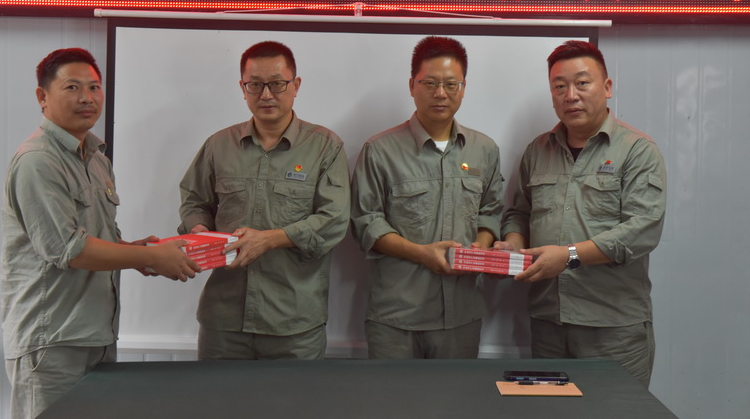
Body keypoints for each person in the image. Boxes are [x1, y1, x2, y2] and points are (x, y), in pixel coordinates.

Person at [1, 47, 200, 419]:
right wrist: (150, 256)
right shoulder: (38, 161)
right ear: (42, 97)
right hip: (53, 341)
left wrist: (133, 252)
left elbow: (93, 238)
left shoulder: (96, 159)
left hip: (95, 335)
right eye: (72, 87)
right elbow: (69, 249)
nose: (87, 98)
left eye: (94, 87)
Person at [499, 40, 666, 387]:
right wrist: (513, 245)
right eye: (559, 86)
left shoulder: (637, 150)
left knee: (617, 411)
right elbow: (519, 213)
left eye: (582, 83)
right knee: (552, 413)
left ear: (607, 87)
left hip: (612, 328)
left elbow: (642, 229)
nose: (570, 95)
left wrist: (570, 256)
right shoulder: (537, 151)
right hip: (548, 324)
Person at [178, 40, 350, 360]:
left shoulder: (325, 147)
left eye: (277, 84)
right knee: (214, 395)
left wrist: (269, 240)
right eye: (255, 85)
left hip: (294, 322)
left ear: (296, 85)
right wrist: (199, 231)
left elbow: (334, 219)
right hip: (224, 320)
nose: (266, 95)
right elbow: (194, 200)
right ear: (243, 88)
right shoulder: (219, 145)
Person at [351, 36, 503, 359]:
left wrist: (480, 246)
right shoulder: (379, 150)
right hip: (396, 318)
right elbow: (366, 223)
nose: (440, 93)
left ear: (463, 88)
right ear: (412, 85)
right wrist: (422, 254)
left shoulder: (485, 149)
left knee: (455, 394)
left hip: (461, 314)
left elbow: (491, 210)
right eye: (430, 83)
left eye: (451, 84)